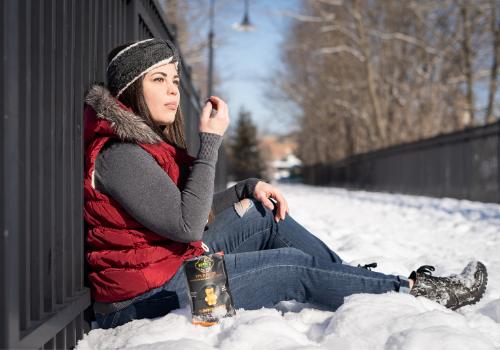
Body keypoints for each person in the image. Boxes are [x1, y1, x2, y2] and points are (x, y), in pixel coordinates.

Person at [83, 39, 488, 330]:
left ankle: (351, 281)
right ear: (131, 90)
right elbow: (189, 225)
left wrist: (245, 189)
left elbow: (187, 213)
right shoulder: (120, 155)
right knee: (289, 269)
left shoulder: (143, 145)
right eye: (159, 80)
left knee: (264, 214)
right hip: (146, 302)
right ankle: (415, 292)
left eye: (174, 78)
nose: (173, 89)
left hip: (170, 271)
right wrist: (210, 143)